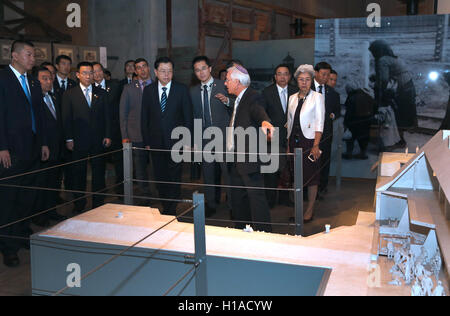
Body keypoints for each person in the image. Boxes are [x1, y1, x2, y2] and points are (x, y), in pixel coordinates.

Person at [0, 40, 49, 267]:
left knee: (27, 197)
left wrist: (44, 143)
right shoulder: (3, 79)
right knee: (9, 200)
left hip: (32, 149)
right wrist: (2, 147)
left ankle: (20, 236)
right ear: (15, 56)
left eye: (33, 55)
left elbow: (39, 115)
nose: (33, 59)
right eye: (29, 55)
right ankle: (8, 247)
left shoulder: (33, 81)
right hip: (11, 151)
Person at [225, 65, 274, 233]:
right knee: (238, 200)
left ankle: (265, 235)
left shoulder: (253, 97)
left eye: (228, 80)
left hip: (248, 159)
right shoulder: (239, 99)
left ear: (237, 82)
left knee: (257, 200)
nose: (225, 83)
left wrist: (265, 122)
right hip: (236, 159)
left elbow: (259, 112)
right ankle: (242, 232)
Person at [141, 57, 193, 215]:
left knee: (174, 176)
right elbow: (145, 118)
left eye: (169, 71)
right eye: (163, 71)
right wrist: (147, 141)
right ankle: (165, 202)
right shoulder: (149, 91)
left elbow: (188, 117)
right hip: (156, 142)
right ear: (155, 72)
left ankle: (171, 208)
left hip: (177, 142)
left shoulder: (181, 89)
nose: (166, 74)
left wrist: (187, 141)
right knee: (160, 175)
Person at [62, 62, 112, 214]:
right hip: (78, 140)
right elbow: (66, 119)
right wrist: (68, 139)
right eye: (84, 73)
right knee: (79, 172)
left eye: (90, 73)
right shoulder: (70, 94)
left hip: (98, 140)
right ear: (77, 75)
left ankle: (98, 202)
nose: (88, 76)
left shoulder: (101, 93)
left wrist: (108, 135)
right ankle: (79, 203)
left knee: (98, 172)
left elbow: (107, 117)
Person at [190, 56, 232, 216]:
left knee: (227, 174)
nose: (201, 72)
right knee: (207, 174)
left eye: (203, 68)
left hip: (223, 137)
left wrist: (227, 100)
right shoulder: (193, 91)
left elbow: (238, 104)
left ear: (209, 68)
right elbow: (193, 117)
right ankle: (211, 204)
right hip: (204, 139)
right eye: (197, 70)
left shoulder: (223, 85)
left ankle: (233, 205)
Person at [287, 64, 325, 223]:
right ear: (297, 81)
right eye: (301, 79)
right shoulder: (292, 97)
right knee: (296, 178)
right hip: (293, 141)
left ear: (311, 80)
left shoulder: (317, 97)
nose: (304, 82)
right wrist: (287, 144)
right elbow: (288, 122)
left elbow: (319, 122)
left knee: (311, 178)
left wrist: (316, 145)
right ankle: (298, 211)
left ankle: (309, 211)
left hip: (309, 141)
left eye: (307, 79)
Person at [369, 40, 417, 149]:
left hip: (402, 89)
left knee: (396, 115)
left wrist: (379, 92)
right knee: (402, 115)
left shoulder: (382, 60)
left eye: (373, 52)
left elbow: (384, 79)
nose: (372, 54)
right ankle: (400, 139)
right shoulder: (392, 58)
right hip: (408, 86)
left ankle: (398, 141)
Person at [262, 64, 298, 207]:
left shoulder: (296, 92)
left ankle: (284, 198)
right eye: (279, 74)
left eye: (285, 74)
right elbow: (262, 114)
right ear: (275, 77)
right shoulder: (266, 92)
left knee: (288, 170)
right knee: (271, 170)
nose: (282, 77)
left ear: (289, 77)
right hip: (273, 137)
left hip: (291, 137)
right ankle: (269, 200)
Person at [34, 67, 67, 226]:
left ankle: (51, 211)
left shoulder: (53, 97)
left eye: (50, 78)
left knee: (53, 184)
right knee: (43, 185)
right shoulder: (35, 101)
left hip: (57, 150)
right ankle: (40, 216)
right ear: (36, 80)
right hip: (44, 151)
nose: (49, 81)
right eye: (44, 78)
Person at [120, 58, 152, 201]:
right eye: (138, 68)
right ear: (135, 71)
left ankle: (160, 190)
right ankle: (145, 193)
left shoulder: (158, 85)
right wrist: (125, 135)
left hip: (154, 134)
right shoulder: (129, 88)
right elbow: (123, 114)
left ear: (149, 68)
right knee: (140, 167)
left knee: (157, 165)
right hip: (136, 134)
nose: (142, 70)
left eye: (144, 66)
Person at [93, 62, 123, 193]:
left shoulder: (115, 86)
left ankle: (121, 189)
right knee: (98, 164)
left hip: (116, 131)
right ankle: (100, 191)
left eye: (99, 70)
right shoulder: (89, 89)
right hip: (98, 133)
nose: (97, 74)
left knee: (120, 164)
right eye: (94, 72)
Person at [313, 62, 340, 195]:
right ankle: (309, 191)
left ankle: (322, 188)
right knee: (310, 163)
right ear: (316, 73)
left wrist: (333, 115)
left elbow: (337, 111)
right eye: (323, 74)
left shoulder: (332, 93)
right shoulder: (307, 88)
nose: (326, 77)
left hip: (326, 134)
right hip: (309, 134)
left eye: (328, 75)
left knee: (324, 162)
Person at [342, 84, 375, 159]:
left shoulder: (351, 98)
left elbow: (349, 112)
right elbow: (374, 105)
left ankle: (349, 153)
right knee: (363, 138)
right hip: (366, 120)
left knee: (350, 138)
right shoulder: (366, 95)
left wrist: (345, 123)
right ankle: (363, 153)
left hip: (355, 121)